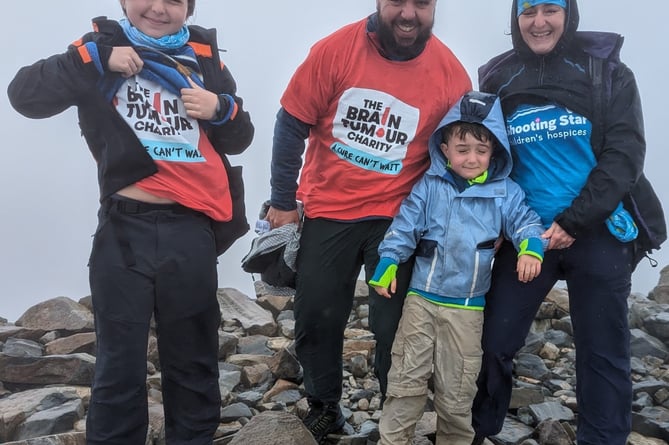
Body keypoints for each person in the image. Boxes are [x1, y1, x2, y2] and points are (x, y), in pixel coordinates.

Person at [7, 0, 254, 443]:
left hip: (191, 231)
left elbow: (241, 137)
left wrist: (221, 107)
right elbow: (25, 96)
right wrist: (96, 58)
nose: (159, 8)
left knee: (194, 363)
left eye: (175, 1)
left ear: (189, 8)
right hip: (123, 230)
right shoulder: (97, 49)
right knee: (118, 368)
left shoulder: (204, 58)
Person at [265, 0, 471, 441]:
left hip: (399, 220)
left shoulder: (451, 75)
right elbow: (291, 122)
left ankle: (396, 415)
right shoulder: (335, 51)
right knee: (317, 314)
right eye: (397, 1)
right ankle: (324, 406)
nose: (409, 13)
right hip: (328, 210)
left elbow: (459, 156)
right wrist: (283, 200)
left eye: (422, 3)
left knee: (394, 324)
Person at [470, 1, 666, 444]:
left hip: (597, 231)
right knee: (494, 340)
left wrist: (574, 222)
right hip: (526, 236)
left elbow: (625, 156)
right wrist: (494, 224)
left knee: (603, 351)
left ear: (568, 14)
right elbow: (487, 155)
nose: (539, 22)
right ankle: (477, 430)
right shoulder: (499, 78)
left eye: (550, 10)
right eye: (528, 12)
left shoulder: (607, 72)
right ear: (515, 20)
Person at [369, 91, 546, 445]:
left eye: (481, 150)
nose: (471, 158)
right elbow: (405, 227)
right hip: (420, 302)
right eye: (462, 149)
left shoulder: (505, 192)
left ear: (494, 151)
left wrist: (532, 249)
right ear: (445, 148)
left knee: (457, 394)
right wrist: (388, 262)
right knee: (405, 383)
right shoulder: (430, 185)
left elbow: (526, 223)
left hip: (466, 311)